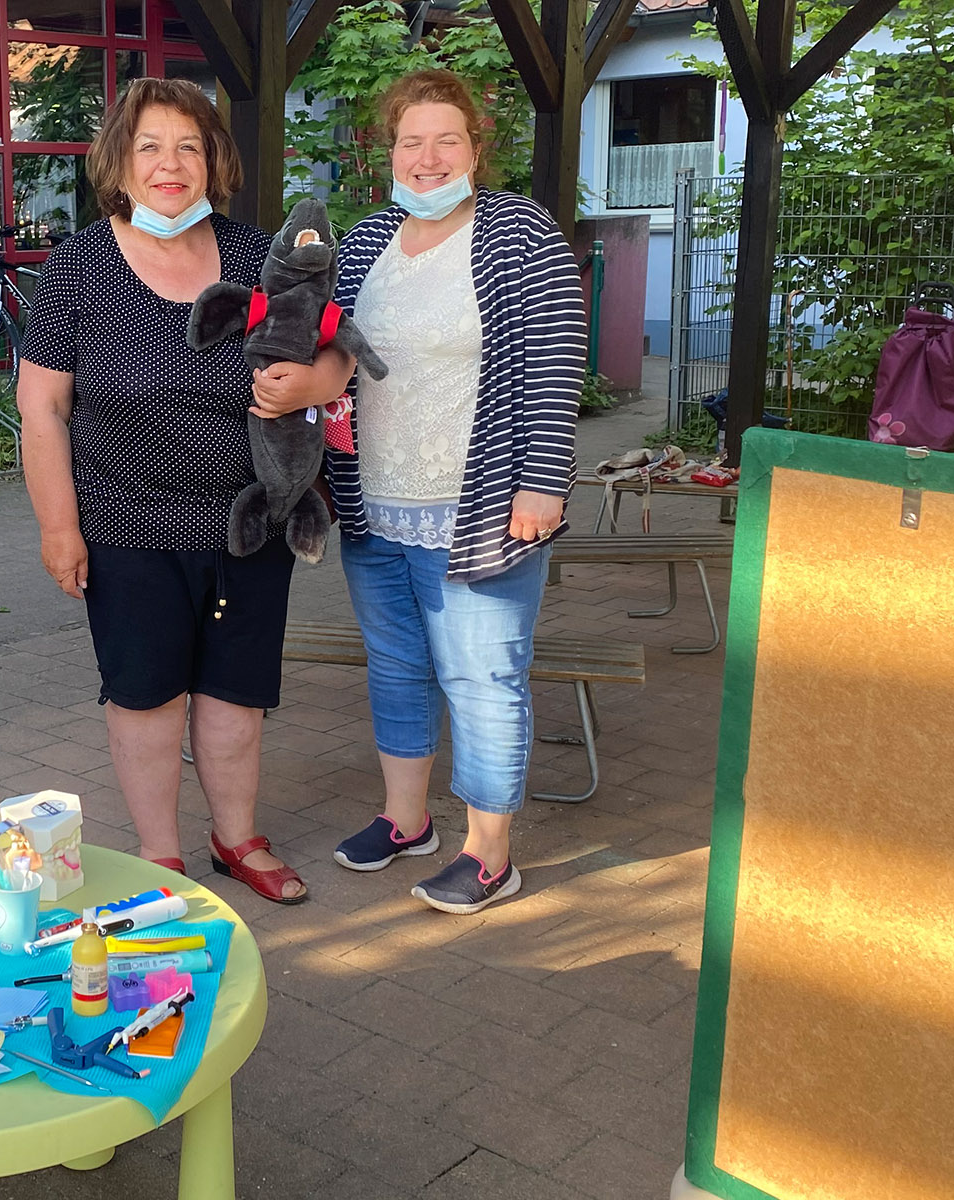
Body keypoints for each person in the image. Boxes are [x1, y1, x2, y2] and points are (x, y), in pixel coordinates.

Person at [254, 69, 585, 914]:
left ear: (476, 146)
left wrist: (544, 482)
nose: (428, 157)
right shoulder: (366, 243)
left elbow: (554, 361)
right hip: (377, 501)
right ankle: (407, 821)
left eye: (447, 139)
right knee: (398, 667)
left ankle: (488, 853)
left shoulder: (521, 233)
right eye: (411, 141)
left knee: (481, 678)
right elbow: (336, 345)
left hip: (483, 508)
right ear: (389, 153)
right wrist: (300, 384)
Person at [15, 78, 344, 905]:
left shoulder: (258, 255)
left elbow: (339, 351)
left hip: (248, 520)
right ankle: (159, 856)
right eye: (150, 146)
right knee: (146, 694)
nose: (171, 164)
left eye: (188, 147)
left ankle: (237, 838)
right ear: (119, 162)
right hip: (125, 525)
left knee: (238, 695)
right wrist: (60, 528)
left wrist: (307, 385)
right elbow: (42, 407)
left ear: (213, 162)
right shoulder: (79, 268)